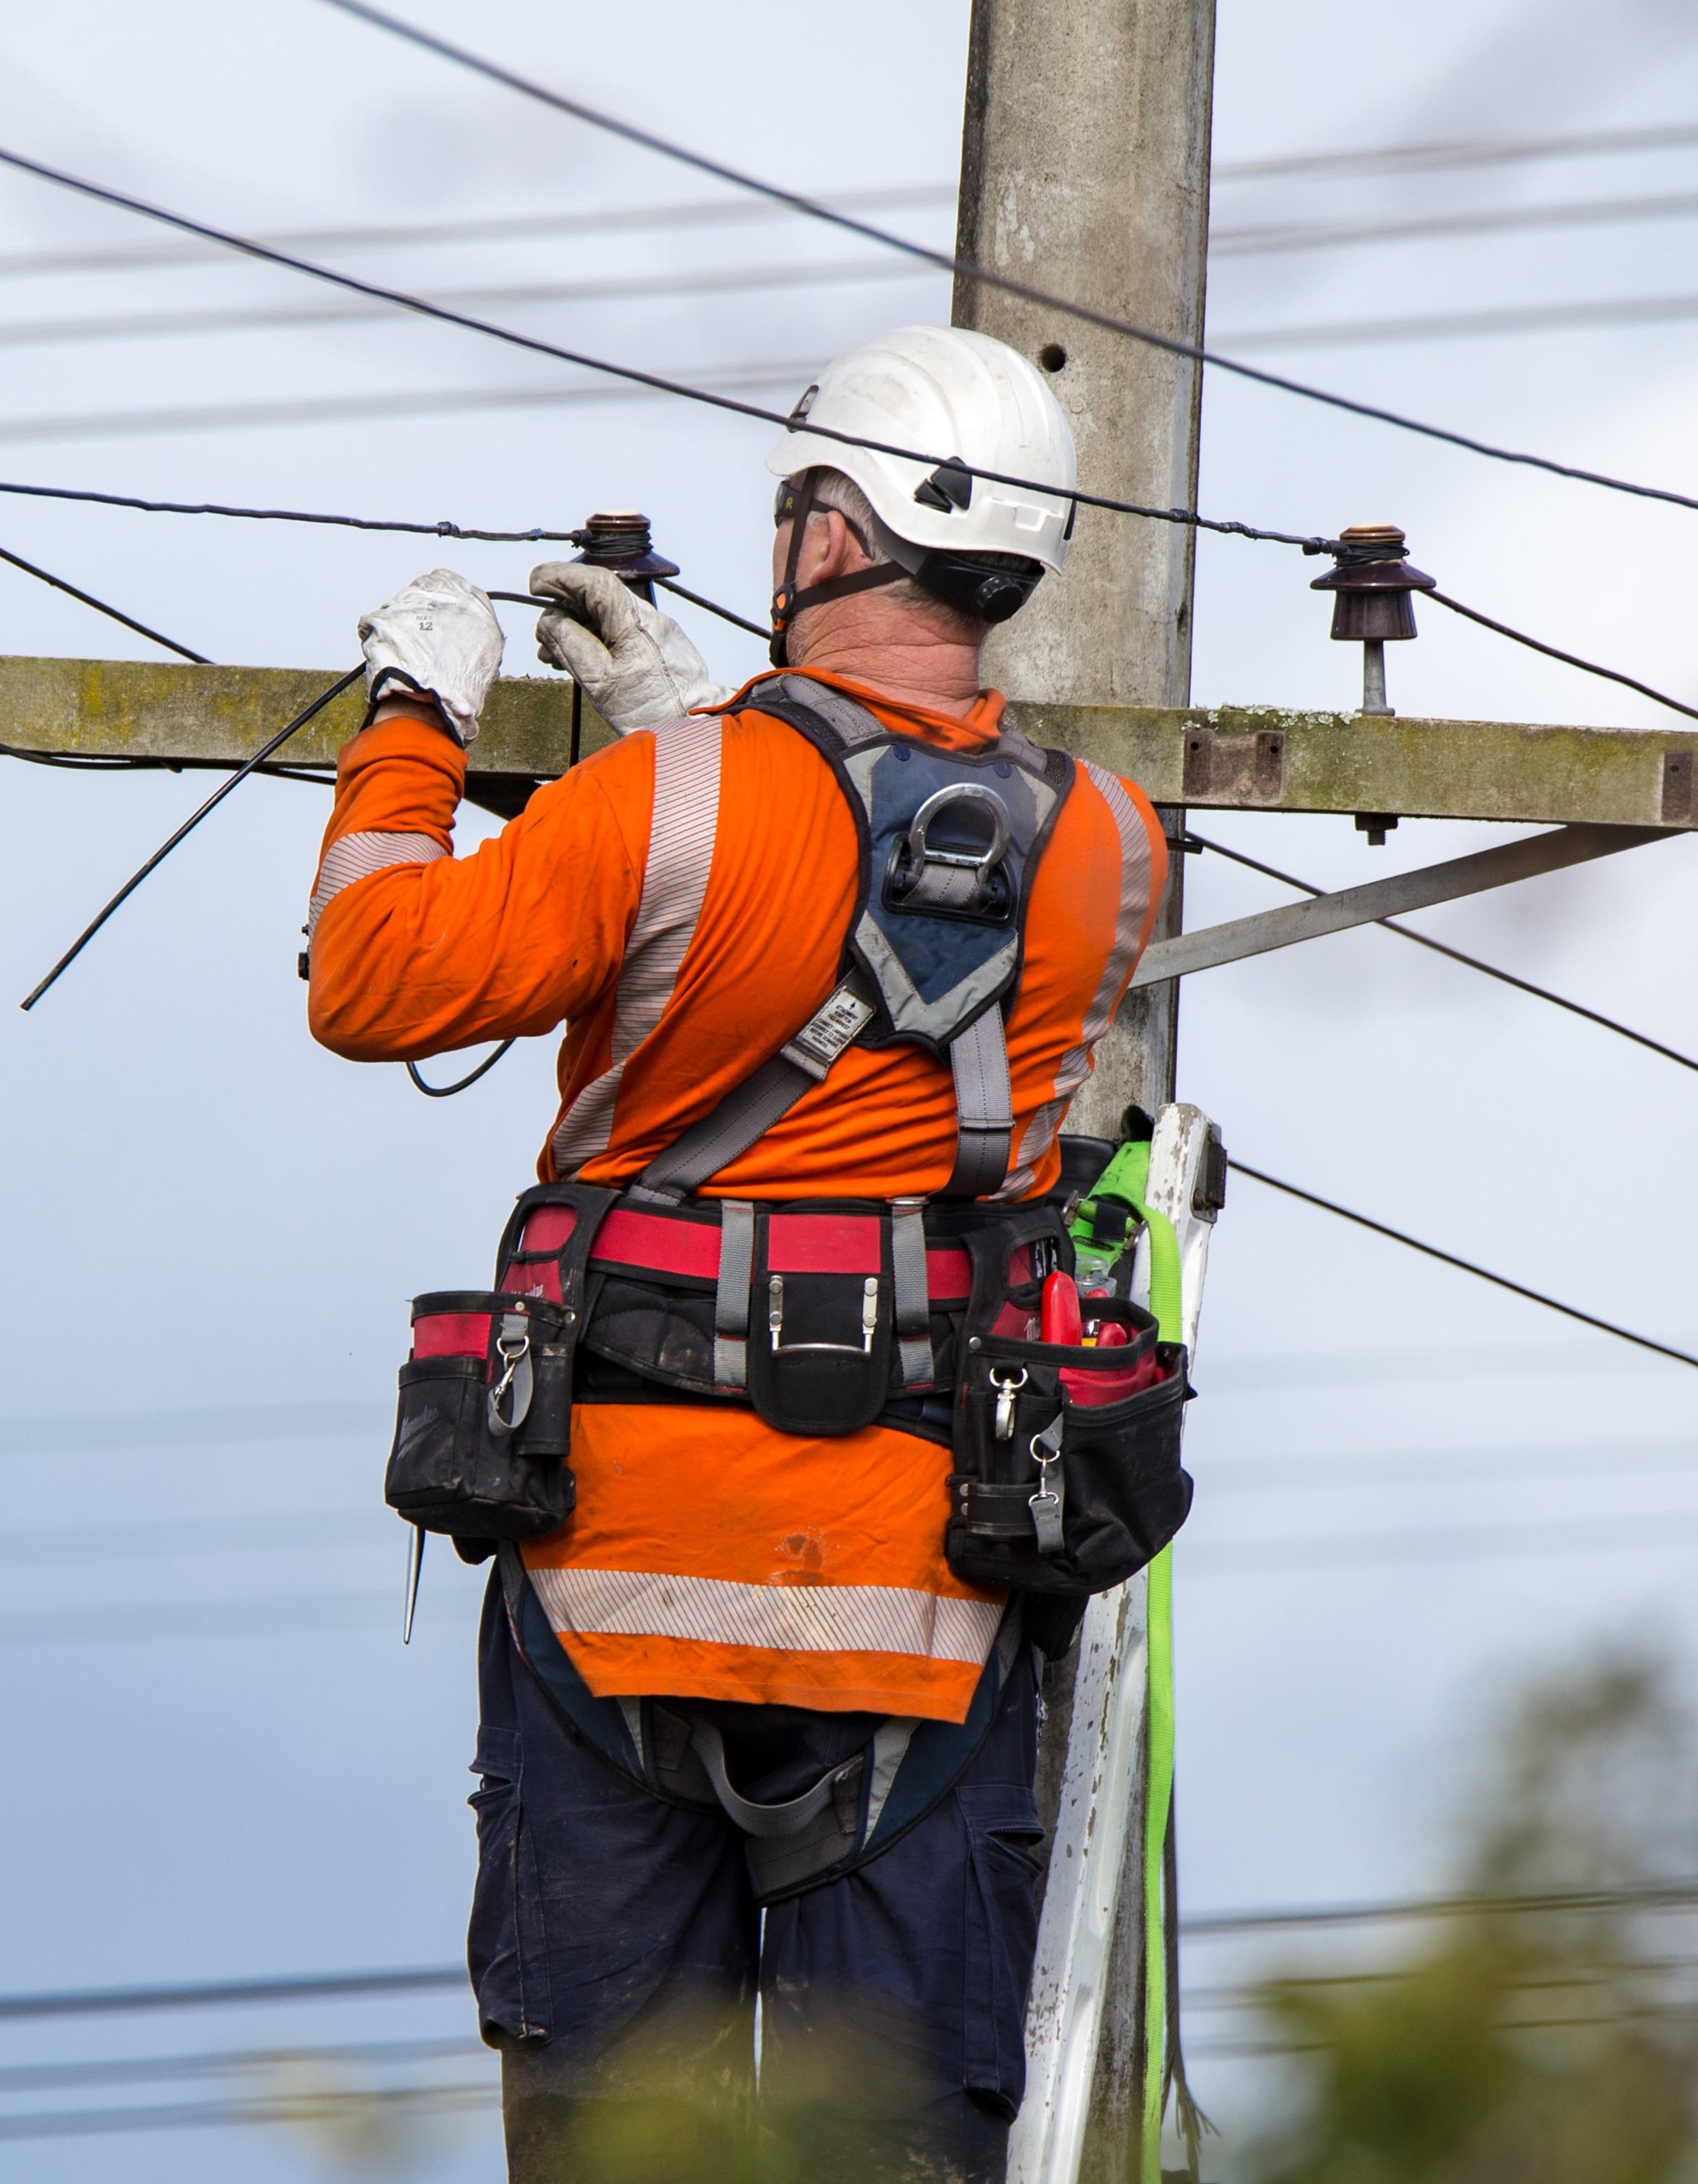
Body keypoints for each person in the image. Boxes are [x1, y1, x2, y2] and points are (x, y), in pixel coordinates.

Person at [305, 326, 1181, 2181]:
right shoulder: (1110, 846)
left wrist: (411, 718)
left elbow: (373, 977)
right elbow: (873, 908)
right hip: (922, 1612)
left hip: (619, 1590)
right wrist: (690, 739)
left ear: (835, 532)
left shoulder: (665, 807)